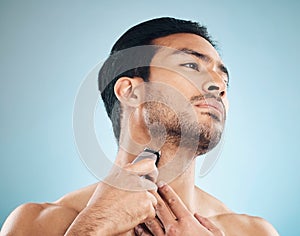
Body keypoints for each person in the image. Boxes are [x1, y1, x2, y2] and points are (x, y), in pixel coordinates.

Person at [1, 17, 279, 235]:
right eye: (191, 66)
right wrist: (93, 227)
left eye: (224, 80)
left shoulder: (253, 232)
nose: (218, 86)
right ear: (131, 92)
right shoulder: (38, 225)